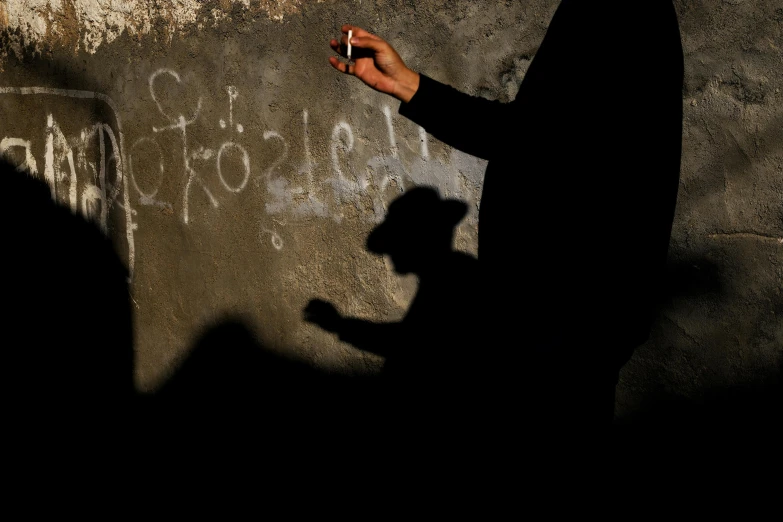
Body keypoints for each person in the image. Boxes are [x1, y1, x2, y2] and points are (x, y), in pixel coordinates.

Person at [327, 0, 684, 443]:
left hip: (568, 319)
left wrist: (411, 87)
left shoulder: (622, 11)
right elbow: (545, 133)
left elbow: (536, 137)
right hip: (564, 318)